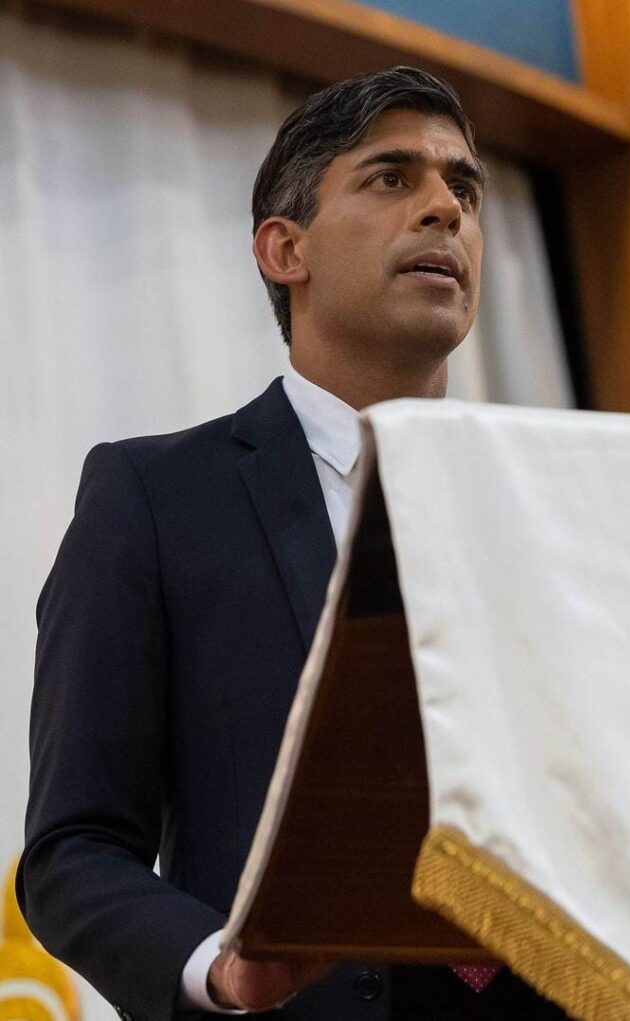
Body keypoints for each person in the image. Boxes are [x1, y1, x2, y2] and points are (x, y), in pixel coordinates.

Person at [18, 66, 567, 1021]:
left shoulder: (552, 504)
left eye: (464, 189)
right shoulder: (155, 499)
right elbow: (74, 851)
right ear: (285, 249)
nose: (446, 209)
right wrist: (222, 966)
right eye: (392, 177)